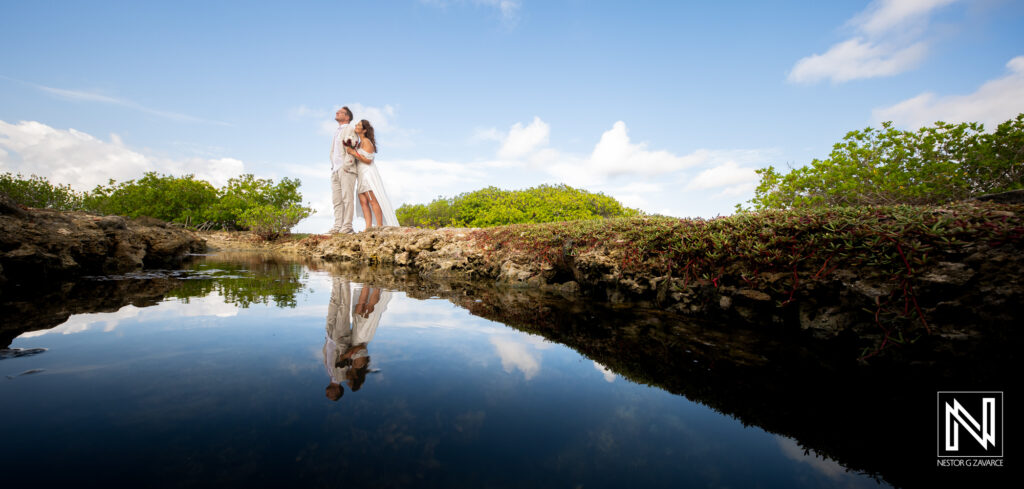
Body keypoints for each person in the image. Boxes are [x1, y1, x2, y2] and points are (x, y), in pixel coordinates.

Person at [345, 120, 399, 229]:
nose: (356, 126)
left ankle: (379, 225)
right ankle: (368, 227)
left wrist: (353, 153)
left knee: (372, 200)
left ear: (364, 130)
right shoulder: (359, 143)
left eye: (359, 125)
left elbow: (368, 160)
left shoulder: (367, 142)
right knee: (363, 201)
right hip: (360, 174)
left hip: (367, 173)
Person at [328, 107, 359, 234]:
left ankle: (347, 227)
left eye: (340, 112)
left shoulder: (350, 129)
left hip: (346, 169)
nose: (337, 113)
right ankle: (337, 226)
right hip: (335, 170)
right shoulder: (336, 131)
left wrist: (346, 165)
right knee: (337, 200)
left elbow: (353, 145)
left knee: (347, 199)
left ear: (347, 117)